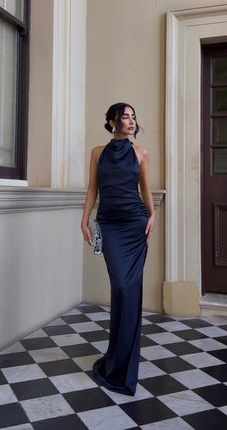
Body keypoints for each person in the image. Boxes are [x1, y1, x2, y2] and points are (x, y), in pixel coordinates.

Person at [81, 102, 155, 395]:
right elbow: (92, 189)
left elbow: (145, 189)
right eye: (125, 117)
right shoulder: (98, 153)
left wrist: (152, 216)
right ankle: (115, 361)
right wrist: (84, 220)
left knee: (129, 290)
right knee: (121, 288)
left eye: (134, 117)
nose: (131, 121)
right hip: (110, 225)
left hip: (135, 224)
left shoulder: (141, 153)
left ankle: (124, 364)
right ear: (113, 122)